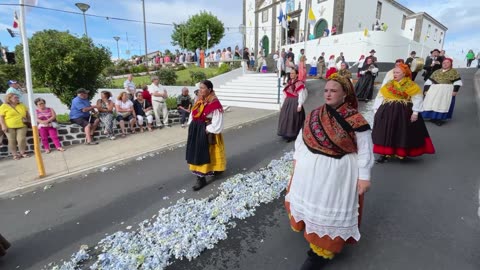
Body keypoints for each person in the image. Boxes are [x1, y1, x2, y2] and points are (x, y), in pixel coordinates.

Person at [285, 73, 373, 269]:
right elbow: (302, 138)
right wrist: (297, 160)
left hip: (337, 171)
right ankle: (311, 230)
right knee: (312, 201)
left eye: (334, 91)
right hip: (310, 168)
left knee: (328, 203)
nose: (328, 94)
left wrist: (364, 177)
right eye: (326, 90)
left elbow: (365, 150)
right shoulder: (315, 113)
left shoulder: (356, 120)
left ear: (345, 94)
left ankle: (322, 252)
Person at [372, 63, 435, 163]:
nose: (395, 74)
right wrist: (376, 110)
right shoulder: (389, 84)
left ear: (404, 73)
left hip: (403, 111)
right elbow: (380, 96)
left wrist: (415, 113)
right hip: (387, 110)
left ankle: (401, 153)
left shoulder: (410, 85)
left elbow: (417, 98)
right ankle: (384, 154)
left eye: (397, 72)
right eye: (394, 72)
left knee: (402, 131)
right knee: (385, 131)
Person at [186, 80, 226, 191]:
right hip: (197, 130)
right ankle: (202, 177)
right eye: (200, 88)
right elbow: (192, 114)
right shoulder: (199, 100)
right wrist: (191, 126)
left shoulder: (214, 103)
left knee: (206, 153)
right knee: (197, 152)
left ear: (209, 89)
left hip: (207, 131)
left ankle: (202, 178)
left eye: (203, 88)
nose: (200, 90)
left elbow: (218, 121)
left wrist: (207, 130)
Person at [422, 58, 462, 126]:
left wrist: (455, 91)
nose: (445, 64)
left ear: (451, 64)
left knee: (442, 104)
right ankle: (431, 117)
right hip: (434, 90)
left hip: (446, 91)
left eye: (447, 62)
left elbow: (457, 82)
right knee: (432, 102)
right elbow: (428, 82)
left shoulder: (454, 72)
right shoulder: (436, 71)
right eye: (444, 63)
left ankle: (438, 119)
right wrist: (425, 90)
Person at [277, 69, 307, 142]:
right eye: (290, 73)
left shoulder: (299, 83)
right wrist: (282, 104)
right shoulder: (288, 83)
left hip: (295, 102)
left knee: (293, 118)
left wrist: (299, 105)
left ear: (297, 74)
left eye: (293, 73)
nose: (291, 75)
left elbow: (301, 94)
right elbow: (284, 94)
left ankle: (293, 134)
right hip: (287, 101)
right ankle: (286, 133)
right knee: (285, 117)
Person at [0, 93, 30, 159]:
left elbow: (27, 114)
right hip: (9, 126)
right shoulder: (4, 106)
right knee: (11, 140)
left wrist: (28, 120)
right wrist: (3, 125)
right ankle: (15, 154)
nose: (17, 99)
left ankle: (22, 152)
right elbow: (1, 117)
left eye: (17, 97)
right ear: (9, 99)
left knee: (21, 139)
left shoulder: (21, 105)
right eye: (15, 98)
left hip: (22, 125)